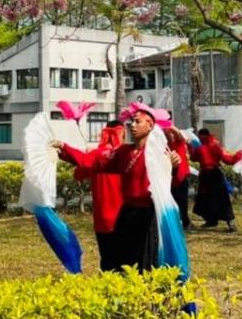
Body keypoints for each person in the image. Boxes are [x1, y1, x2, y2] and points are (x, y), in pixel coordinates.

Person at [56, 105, 180, 273]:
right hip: (127, 213)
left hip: (149, 215)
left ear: (150, 125)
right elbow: (94, 161)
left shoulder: (159, 152)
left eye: (138, 122)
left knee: (145, 261)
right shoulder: (123, 152)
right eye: (131, 122)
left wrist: (174, 164)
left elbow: (170, 181)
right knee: (121, 261)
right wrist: (65, 148)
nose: (133, 126)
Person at [65, 120, 124, 271]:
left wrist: (87, 156)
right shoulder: (125, 155)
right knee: (125, 258)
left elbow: (78, 174)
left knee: (107, 257)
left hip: (102, 215)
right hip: (123, 215)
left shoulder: (96, 155)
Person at [190, 128, 242, 232]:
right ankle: (220, 221)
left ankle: (219, 221)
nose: (199, 138)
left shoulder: (202, 148)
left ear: (203, 136)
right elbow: (227, 160)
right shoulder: (216, 146)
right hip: (215, 174)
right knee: (221, 198)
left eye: (200, 136)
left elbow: (193, 157)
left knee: (208, 198)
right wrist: (238, 155)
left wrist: (189, 147)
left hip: (206, 176)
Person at [164, 126, 191, 229]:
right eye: (166, 134)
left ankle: (185, 221)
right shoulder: (165, 147)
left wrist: (169, 125)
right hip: (170, 178)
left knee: (183, 201)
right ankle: (175, 221)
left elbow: (178, 135)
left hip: (181, 177)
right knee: (172, 201)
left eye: (170, 134)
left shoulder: (179, 144)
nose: (168, 135)